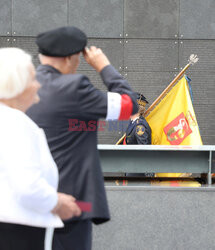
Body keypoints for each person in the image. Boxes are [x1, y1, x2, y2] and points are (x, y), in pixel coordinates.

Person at [26, 26, 138, 250]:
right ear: (70, 58)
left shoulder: (23, 87)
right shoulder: (74, 88)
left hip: (28, 200)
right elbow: (129, 105)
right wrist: (103, 65)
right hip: (73, 204)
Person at [0, 47, 81, 250]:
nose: (37, 85)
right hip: (17, 234)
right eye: (32, 79)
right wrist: (58, 203)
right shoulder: (16, 124)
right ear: (17, 86)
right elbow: (28, 187)